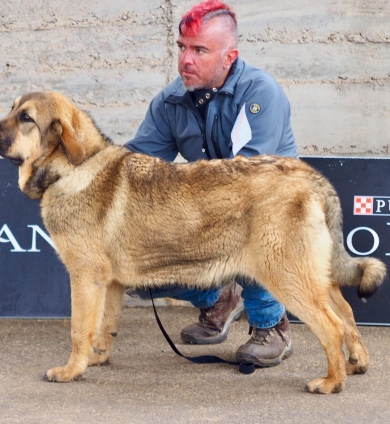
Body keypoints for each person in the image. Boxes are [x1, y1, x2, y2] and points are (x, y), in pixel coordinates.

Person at [125, 0, 298, 367]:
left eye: (199, 50)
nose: (185, 59)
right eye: (182, 47)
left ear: (228, 57)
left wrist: (182, 210)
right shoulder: (170, 102)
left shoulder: (260, 93)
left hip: (272, 209)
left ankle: (272, 325)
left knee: (244, 227)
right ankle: (220, 299)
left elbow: (248, 181)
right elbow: (135, 167)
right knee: (133, 260)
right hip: (209, 208)